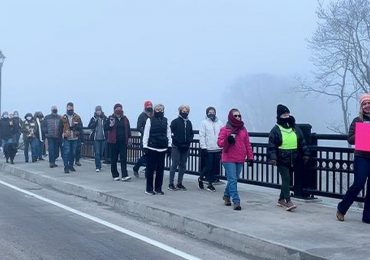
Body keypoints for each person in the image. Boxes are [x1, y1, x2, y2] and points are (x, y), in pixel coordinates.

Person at [267, 104, 310, 211]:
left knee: (287, 180)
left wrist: (306, 154)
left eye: (287, 114)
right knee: (286, 178)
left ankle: (280, 199)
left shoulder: (295, 128)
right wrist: (273, 158)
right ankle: (288, 201)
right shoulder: (275, 130)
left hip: (294, 158)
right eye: (284, 114)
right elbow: (272, 146)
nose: (286, 116)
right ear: (279, 116)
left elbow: (302, 142)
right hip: (281, 159)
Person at [337, 94, 370, 223]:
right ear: (361, 107)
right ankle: (342, 208)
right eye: (364, 104)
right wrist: (362, 133)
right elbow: (350, 139)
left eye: (369, 103)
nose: (367, 106)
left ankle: (367, 216)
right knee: (358, 184)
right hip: (362, 156)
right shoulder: (357, 120)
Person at [217, 108, 253, 210]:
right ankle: (236, 201)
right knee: (233, 179)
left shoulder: (243, 129)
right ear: (231, 117)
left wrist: (250, 157)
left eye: (239, 116)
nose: (238, 117)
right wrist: (227, 139)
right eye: (235, 116)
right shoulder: (225, 129)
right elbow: (219, 143)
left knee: (233, 179)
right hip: (228, 158)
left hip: (240, 158)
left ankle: (226, 195)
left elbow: (247, 144)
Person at [142, 104, 172, 195]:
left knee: (160, 170)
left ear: (163, 110)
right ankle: (149, 189)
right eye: (157, 109)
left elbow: (168, 134)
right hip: (151, 147)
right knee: (150, 169)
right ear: (155, 110)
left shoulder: (166, 121)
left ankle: (158, 188)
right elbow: (146, 133)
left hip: (162, 148)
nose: (159, 110)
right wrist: (145, 146)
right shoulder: (149, 120)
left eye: (161, 109)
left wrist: (169, 145)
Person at [168, 105, 194, 191]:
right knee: (174, 164)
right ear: (179, 111)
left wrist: (188, 142)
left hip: (185, 147)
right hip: (176, 146)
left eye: (186, 111)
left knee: (183, 165)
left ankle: (179, 183)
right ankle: (171, 183)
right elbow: (170, 133)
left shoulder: (189, 122)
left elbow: (191, 134)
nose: (185, 112)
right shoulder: (175, 121)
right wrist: (176, 142)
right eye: (183, 111)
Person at [198, 106, 223, 192]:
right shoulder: (204, 122)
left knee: (214, 167)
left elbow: (223, 134)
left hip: (218, 148)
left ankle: (204, 180)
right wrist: (203, 147)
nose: (211, 113)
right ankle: (208, 183)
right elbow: (202, 135)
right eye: (209, 112)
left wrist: (223, 146)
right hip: (208, 148)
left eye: (213, 112)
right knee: (208, 166)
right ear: (207, 113)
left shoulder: (220, 123)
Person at [105, 103, 132, 181]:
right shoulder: (110, 118)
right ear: (114, 110)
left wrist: (129, 138)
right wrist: (110, 125)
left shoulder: (125, 118)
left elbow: (128, 129)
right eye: (117, 109)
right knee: (114, 159)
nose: (119, 111)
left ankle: (124, 175)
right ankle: (115, 175)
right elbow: (106, 128)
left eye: (120, 109)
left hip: (123, 141)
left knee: (123, 158)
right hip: (113, 142)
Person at [133, 100, 153, 177]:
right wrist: (145, 132)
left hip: (152, 140)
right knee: (147, 156)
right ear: (145, 107)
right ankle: (136, 167)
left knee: (150, 156)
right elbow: (138, 127)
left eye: (150, 107)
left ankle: (146, 173)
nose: (149, 109)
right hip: (144, 139)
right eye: (148, 107)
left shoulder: (153, 116)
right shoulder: (142, 116)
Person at [60, 102, 83, 174]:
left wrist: (76, 128)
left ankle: (71, 165)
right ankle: (66, 167)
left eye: (71, 107)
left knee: (73, 153)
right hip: (66, 137)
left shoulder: (77, 117)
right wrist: (61, 135)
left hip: (75, 137)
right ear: (66, 108)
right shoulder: (63, 117)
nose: (70, 108)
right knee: (67, 152)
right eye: (69, 107)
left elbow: (80, 127)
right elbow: (60, 128)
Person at [88, 105, 107, 172]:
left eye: (99, 110)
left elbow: (107, 127)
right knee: (97, 153)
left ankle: (99, 164)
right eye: (97, 110)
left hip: (103, 138)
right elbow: (89, 126)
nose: (98, 112)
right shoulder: (93, 118)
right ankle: (97, 166)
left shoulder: (104, 118)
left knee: (101, 153)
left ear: (101, 111)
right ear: (95, 111)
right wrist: (95, 121)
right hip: (96, 138)